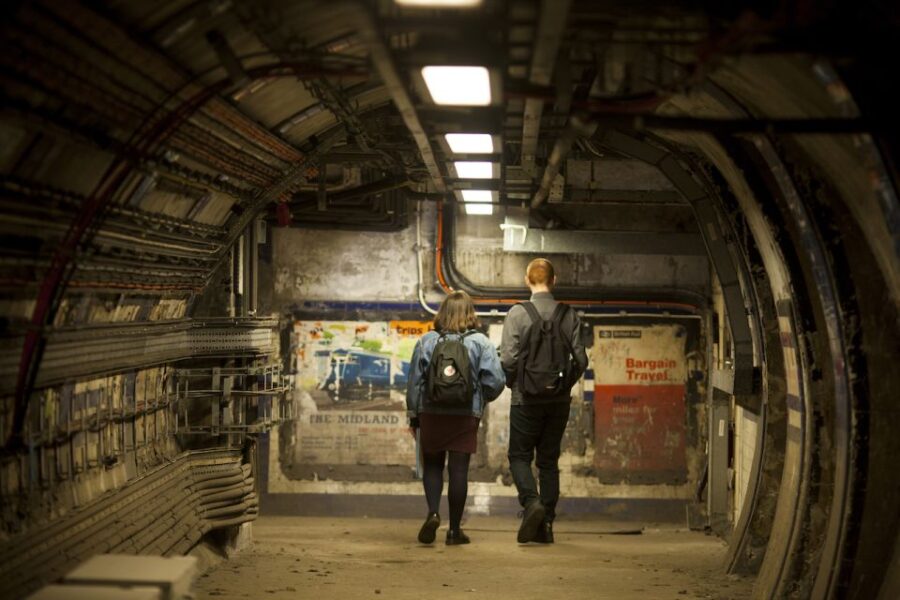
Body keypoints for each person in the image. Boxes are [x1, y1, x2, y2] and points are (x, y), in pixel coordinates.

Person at [406, 290, 505, 545]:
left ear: (443, 313)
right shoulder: (480, 342)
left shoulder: (426, 341)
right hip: (464, 414)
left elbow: (415, 383)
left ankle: (433, 513)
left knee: (433, 466)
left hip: (431, 412)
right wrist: (480, 399)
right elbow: (496, 381)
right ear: (469, 314)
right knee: (459, 470)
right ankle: (454, 531)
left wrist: (414, 416)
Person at [500, 258, 588, 544]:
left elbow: (509, 359)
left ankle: (531, 503)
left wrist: (516, 384)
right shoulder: (568, 315)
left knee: (519, 456)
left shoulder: (517, 313)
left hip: (525, 399)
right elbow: (581, 360)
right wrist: (563, 385)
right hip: (558, 402)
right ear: (554, 280)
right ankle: (546, 524)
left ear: (527, 280)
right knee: (548, 461)